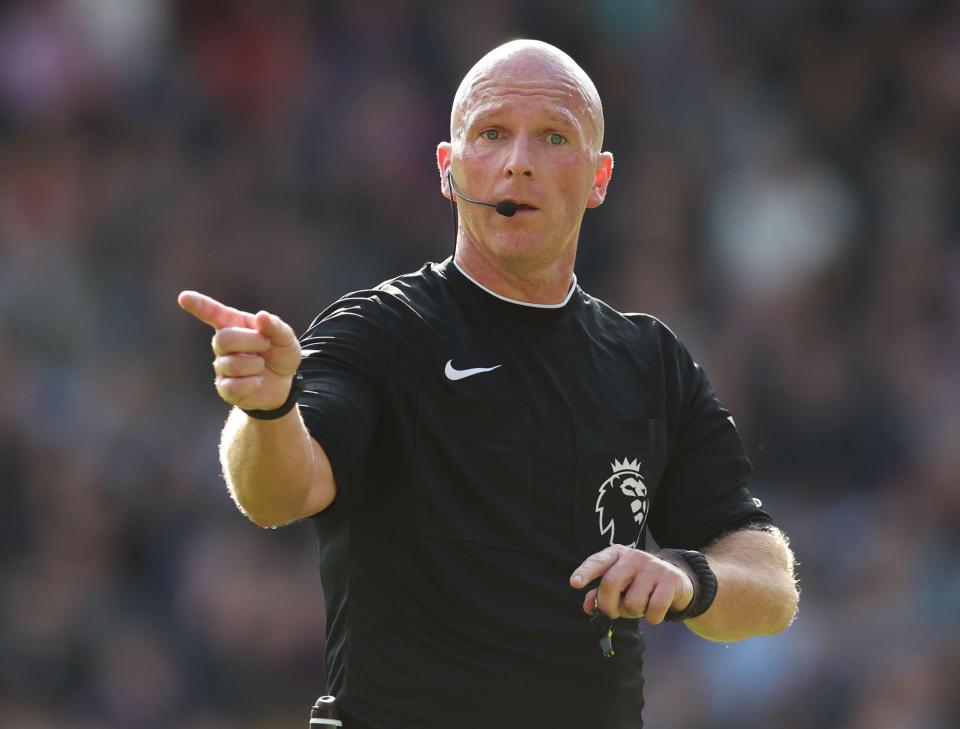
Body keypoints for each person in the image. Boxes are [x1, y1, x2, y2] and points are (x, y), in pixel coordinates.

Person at [179, 39, 798, 729]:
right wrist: (268, 410)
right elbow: (278, 492)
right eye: (493, 133)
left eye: (554, 137)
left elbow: (771, 586)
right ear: (449, 168)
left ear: (599, 177)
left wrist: (688, 576)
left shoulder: (650, 362)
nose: (520, 161)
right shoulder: (383, 330)